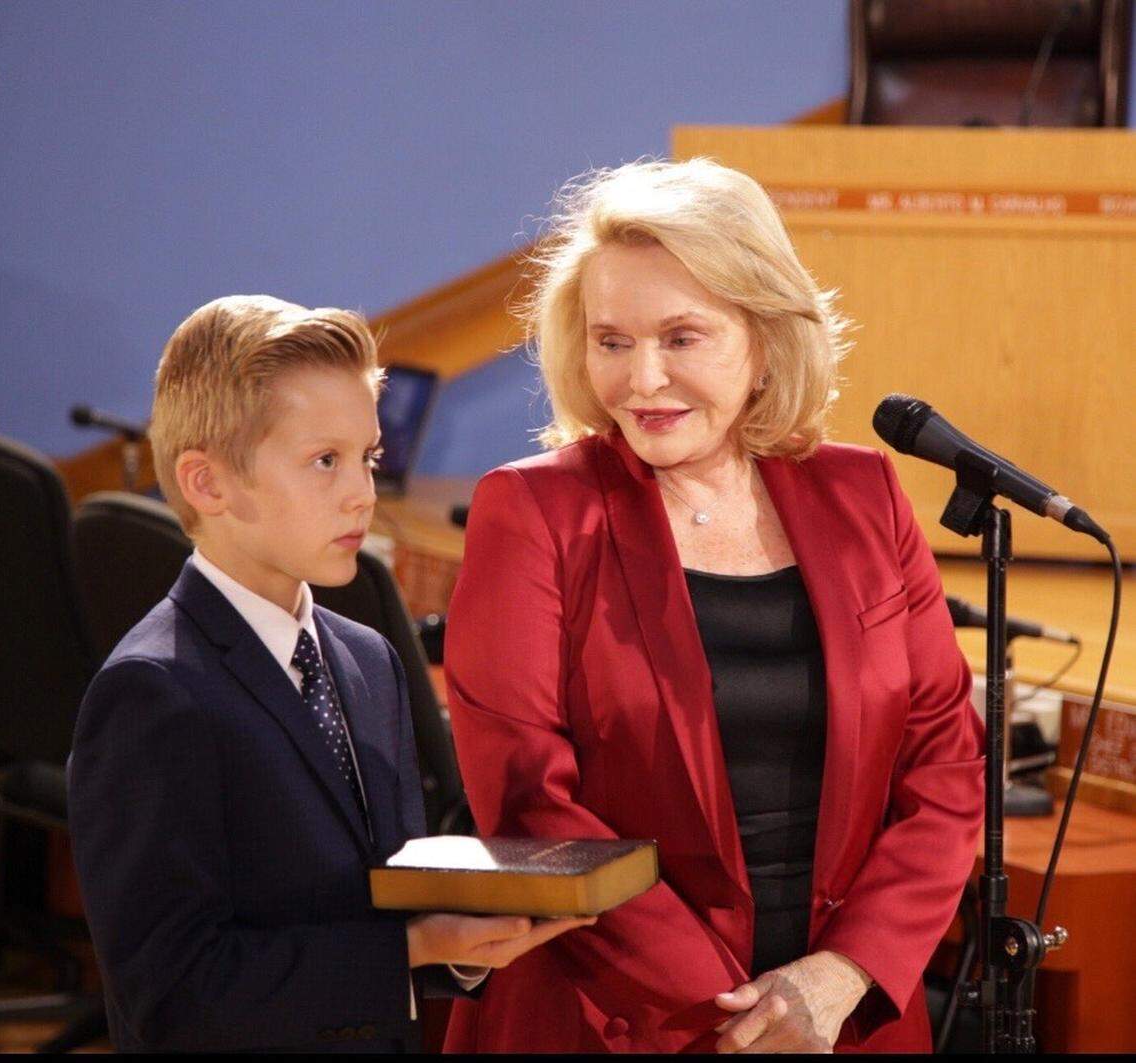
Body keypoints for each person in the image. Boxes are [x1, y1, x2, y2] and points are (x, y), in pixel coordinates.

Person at [442, 160, 984, 1053]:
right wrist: (738, 1018)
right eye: (611, 341)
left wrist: (843, 974)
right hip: (615, 1016)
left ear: (765, 337)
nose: (641, 380)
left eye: (682, 338)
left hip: (842, 1016)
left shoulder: (864, 493)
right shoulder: (534, 511)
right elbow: (532, 803)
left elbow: (946, 765)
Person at [67, 295, 592, 1053]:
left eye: (368, 457)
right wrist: (408, 949)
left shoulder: (368, 658)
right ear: (208, 484)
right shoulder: (152, 693)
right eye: (324, 461)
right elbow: (174, 995)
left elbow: (380, 908)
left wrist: (456, 944)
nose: (363, 493)